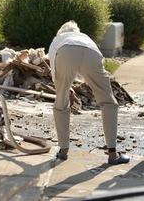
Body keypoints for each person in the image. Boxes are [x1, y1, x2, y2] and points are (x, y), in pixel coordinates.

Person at [48, 21, 130, 164]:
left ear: (60, 32)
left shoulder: (58, 40)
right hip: (91, 53)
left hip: (65, 52)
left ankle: (63, 151)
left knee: (61, 99)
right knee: (108, 101)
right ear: (77, 31)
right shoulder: (85, 37)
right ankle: (113, 154)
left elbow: (55, 72)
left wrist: (61, 87)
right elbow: (99, 59)